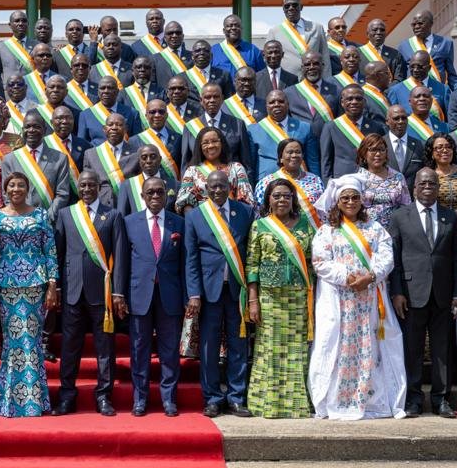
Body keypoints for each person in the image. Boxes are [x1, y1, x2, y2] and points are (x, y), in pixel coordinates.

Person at [308, 174, 405, 420]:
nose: (350, 202)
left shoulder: (375, 228)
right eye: (345, 198)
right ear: (337, 202)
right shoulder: (327, 231)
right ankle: (338, 400)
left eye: (355, 197)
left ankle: (371, 400)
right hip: (340, 299)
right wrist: (350, 277)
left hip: (370, 299)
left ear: (362, 201)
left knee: (370, 348)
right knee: (338, 347)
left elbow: (387, 257)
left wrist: (371, 276)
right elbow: (320, 262)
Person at [0, 172, 60, 417]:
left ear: (28, 189)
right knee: (14, 343)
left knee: (32, 343)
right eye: (12, 185)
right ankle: (9, 401)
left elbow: (49, 250)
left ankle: (34, 401)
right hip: (7, 288)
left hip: (35, 287)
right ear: (6, 189)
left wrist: (51, 285)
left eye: (21, 185)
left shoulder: (40, 214)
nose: (16, 189)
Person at [389, 168, 457, 418]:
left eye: (432, 183)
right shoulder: (400, 216)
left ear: (438, 187)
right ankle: (413, 400)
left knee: (443, 350)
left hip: (443, 293)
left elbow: (455, 259)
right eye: (423, 183)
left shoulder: (450, 216)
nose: (428, 187)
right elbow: (395, 259)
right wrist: (397, 292)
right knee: (413, 350)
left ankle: (441, 400)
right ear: (414, 188)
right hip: (411, 294)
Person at [53, 170, 127, 416]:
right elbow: (59, 253)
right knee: (69, 348)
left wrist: (118, 293)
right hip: (72, 292)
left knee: (105, 348)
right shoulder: (66, 214)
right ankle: (66, 397)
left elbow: (120, 256)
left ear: (99, 186)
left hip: (102, 294)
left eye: (91, 185)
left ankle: (104, 396)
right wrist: (59, 287)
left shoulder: (112, 215)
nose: (86, 189)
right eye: (83, 185)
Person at [185, 169, 254, 418]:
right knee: (209, 347)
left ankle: (236, 397)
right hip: (208, 292)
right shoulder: (195, 216)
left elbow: (251, 252)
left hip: (238, 291)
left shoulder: (244, 212)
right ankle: (213, 397)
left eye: (222, 185)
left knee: (238, 345)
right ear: (206, 188)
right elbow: (191, 259)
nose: (217, 190)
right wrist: (194, 294)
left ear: (230, 186)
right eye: (212, 186)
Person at [246, 179, 314, 418]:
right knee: (270, 348)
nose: (282, 200)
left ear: (293, 199)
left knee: (297, 350)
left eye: (286, 196)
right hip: (269, 297)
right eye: (276, 196)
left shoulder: (306, 226)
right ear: (268, 200)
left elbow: (315, 262)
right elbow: (252, 264)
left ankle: (296, 405)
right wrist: (253, 300)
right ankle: (269, 403)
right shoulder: (260, 226)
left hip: (298, 297)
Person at [123, 176, 185, 416]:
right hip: (139, 295)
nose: (156, 197)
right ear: (142, 196)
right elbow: (123, 263)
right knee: (139, 349)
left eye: (160, 192)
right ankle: (140, 399)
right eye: (151, 193)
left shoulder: (178, 223)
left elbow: (185, 262)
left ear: (167, 194)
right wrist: (120, 294)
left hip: (170, 296)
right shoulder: (129, 223)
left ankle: (169, 399)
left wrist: (190, 296)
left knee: (169, 350)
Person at [0, 110, 73, 222]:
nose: (31, 130)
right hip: (19, 223)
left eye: (36, 126)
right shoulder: (9, 159)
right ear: (22, 130)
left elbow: (62, 194)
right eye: (27, 127)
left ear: (44, 130)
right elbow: (6, 194)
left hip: (48, 223)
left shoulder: (60, 158)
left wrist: (46, 218)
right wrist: (19, 218)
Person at [176, 126, 255, 212]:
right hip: (205, 220)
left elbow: (246, 200)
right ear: (200, 147)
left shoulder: (236, 168)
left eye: (214, 141)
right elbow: (184, 203)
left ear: (222, 143)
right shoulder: (192, 171)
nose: (210, 146)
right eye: (205, 143)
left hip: (233, 218)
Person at [181, 82, 253, 174]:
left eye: (216, 97)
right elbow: (185, 162)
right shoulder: (190, 126)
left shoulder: (238, 124)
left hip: (231, 181)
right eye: (207, 97)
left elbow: (246, 162)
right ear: (201, 100)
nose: (212, 100)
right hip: (201, 182)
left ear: (222, 99)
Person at [319, 84, 385, 180]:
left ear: (364, 102)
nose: (354, 102)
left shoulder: (376, 127)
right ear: (342, 102)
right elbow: (326, 161)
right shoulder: (331, 127)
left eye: (358, 99)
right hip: (343, 182)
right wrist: (328, 184)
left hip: (371, 180)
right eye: (349, 99)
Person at [249, 89, 316, 182]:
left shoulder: (304, 127)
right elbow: (250, 164)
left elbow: (313, 162)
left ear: (288, 104)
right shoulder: (253, 130)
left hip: (300, 182)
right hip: (267, 183)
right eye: (272, 102)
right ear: (266, 106)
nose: (277, 104)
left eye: (281, 101)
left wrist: (316, 181)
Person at [83, 112, 142, 207]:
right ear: (104, 129)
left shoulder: (136, 153)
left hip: (129, 204)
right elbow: (88, 183)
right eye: (110, 125)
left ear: (125, 129)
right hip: (101, 205)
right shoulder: (91, 154)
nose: (114, 128)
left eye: (119, 125)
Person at [352, 134, 410, 229]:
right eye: (373, 150)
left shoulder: (398, 177)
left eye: (382, 150)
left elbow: (406, 207)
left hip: (394, 230)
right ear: (364, 153)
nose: (378, 154)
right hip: (366, 231)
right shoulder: (357, 179)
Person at [255, 138, 323, 214]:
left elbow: (323, 210)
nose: (294, 155)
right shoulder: (265, 183)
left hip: (311, 225)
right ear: (281, 158)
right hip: (279, 225)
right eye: (290, 152)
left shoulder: (315, 180)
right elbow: (260, 213)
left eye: (298, 152)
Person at [266, 0, 327, 78]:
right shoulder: (274, 32)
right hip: (287, 82)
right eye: (287, 6)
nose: (291, 8)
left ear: (301, 7)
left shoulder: (317, 28)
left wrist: (327, 81)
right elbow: (269, 60)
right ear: (283, 9)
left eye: (294, 5)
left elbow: (325, 57)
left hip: (314, 79)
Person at [397, 10, 457, 90]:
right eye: (414, 24)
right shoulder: (404, 46)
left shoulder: (445, 43)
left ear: (431, 24)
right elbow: (401, 75)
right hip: (412, 92)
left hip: (438, 93)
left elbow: (451, 74)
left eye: (420, 23)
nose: (416, 27)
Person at [426, 132, 457, 213]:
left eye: (448, 147)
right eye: (439, 147)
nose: (445, 150)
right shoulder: (427, 174)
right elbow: (420, 200)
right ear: (432, 153)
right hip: (436, 219)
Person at [211, 14, 266, 78]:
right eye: (230, 26)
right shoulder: (214, 51)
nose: (233, 28)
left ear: (241, 29)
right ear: (224, 30)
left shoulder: (253, 50)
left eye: (237, 25)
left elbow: (262, 76)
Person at [384, 104, 424, 189]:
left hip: (412, 198)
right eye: (396, 118)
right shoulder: (380, 144)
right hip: (387, 197)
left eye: (404, 118)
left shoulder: (419, 145)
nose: (401, 121)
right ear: (387, 121)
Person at [357, 18, 407, 83]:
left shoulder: (395, 54)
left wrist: (387, 92)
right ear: (367, 34)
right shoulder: (357, 53)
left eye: (382, 30)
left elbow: (399, 78)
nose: (379, 32)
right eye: (375, 30)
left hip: (389, 92)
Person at [0, 10, 36, 80]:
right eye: (17, 21)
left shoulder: (37, 45)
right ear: (10, 25)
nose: (20, 23)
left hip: (32, 88)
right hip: (9, 89)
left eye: (24, 21)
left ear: (28, 24)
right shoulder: (0, 47)